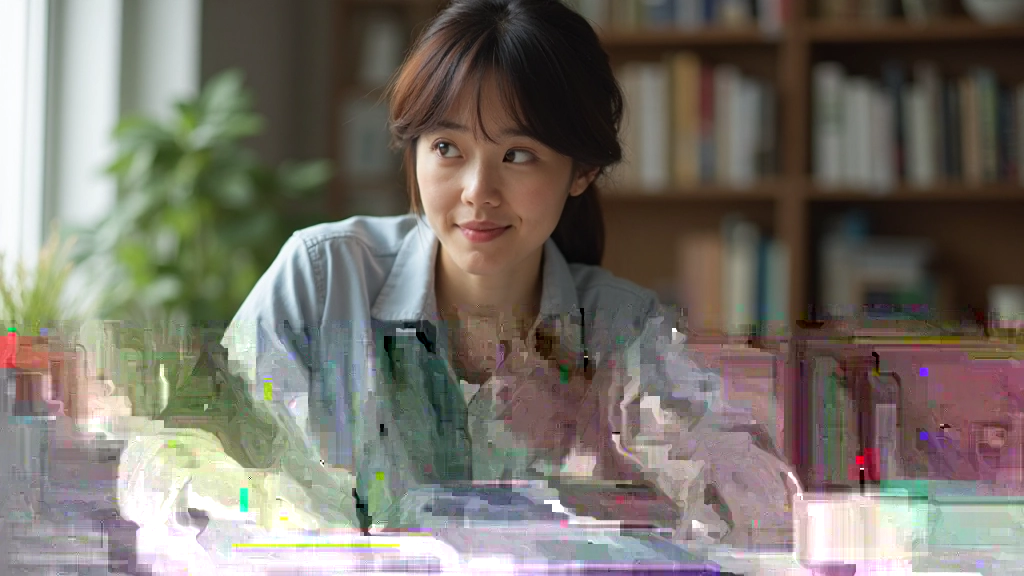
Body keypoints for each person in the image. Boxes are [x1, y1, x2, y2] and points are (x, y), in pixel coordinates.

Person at [116, 0, 798, 552]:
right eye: (447, 148)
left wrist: (617, 458)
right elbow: (172, 468)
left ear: (581, 171)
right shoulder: (322, 281)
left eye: (519, 155)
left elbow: (764, 512)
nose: (477, 190)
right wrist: (276, 513)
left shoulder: (623, 330)